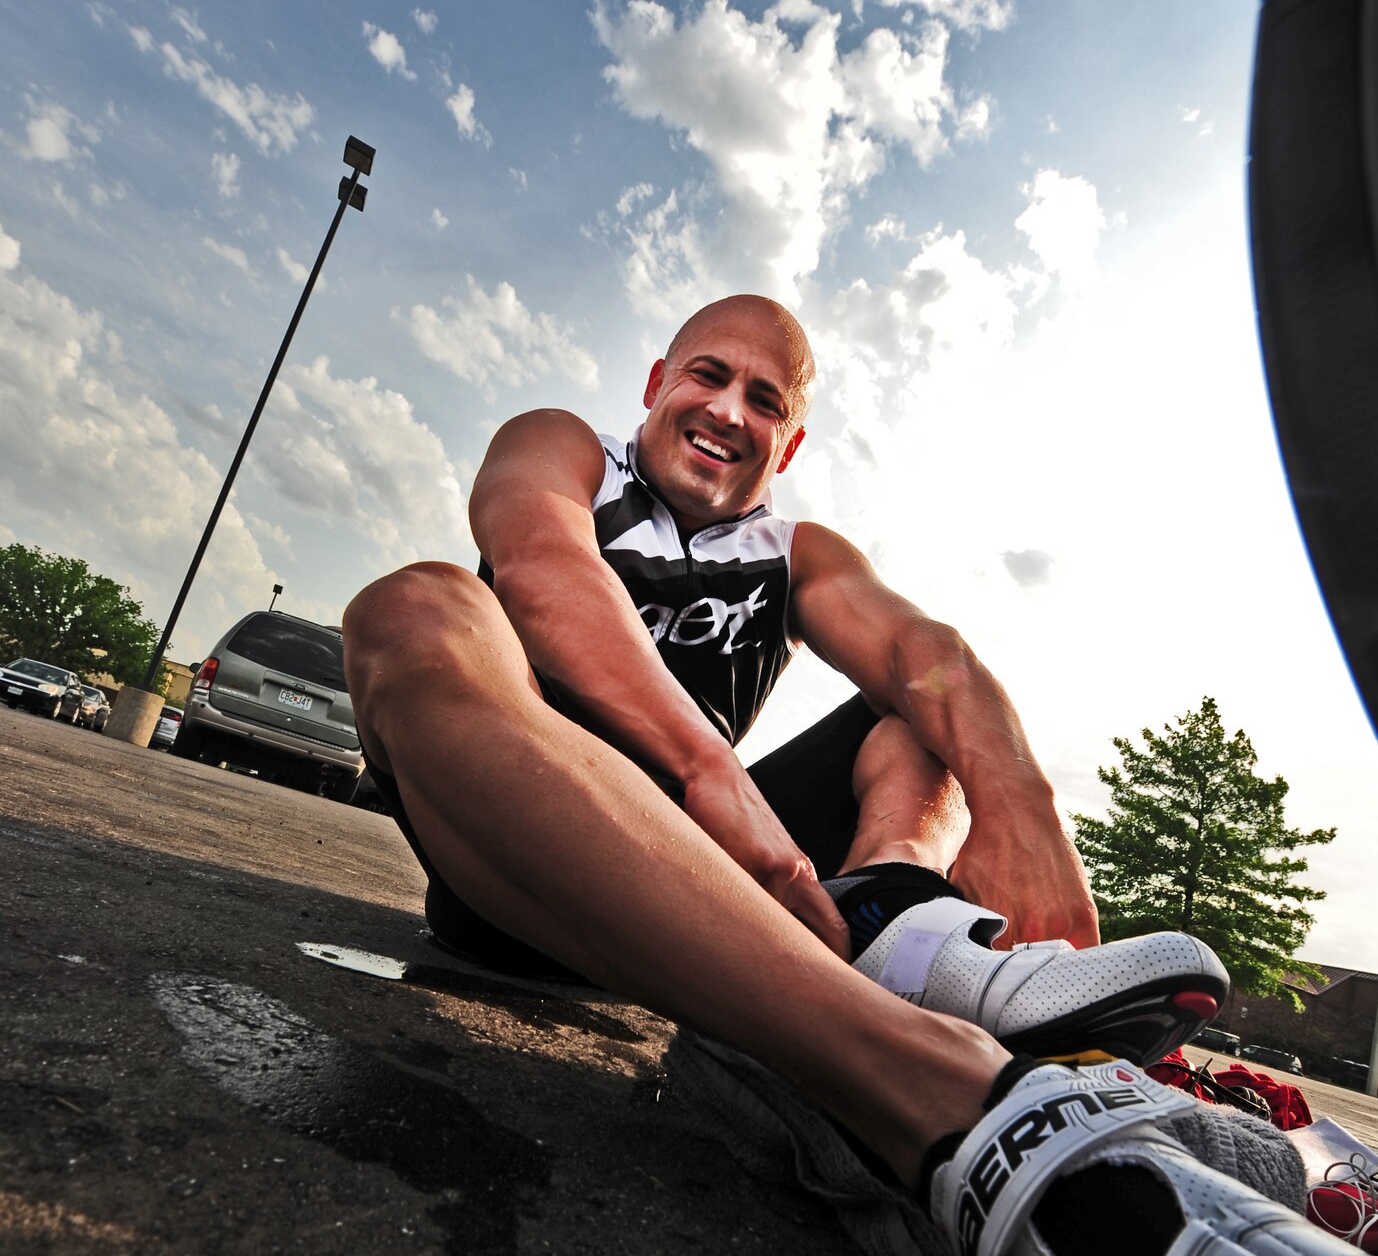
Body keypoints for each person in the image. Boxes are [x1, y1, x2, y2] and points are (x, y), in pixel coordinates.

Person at [342, 294, 1219, 1188]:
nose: (729, 410)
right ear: (656, 384)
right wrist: (705, 766)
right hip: (514, 891)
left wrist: (1023, 811)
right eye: (709, 375)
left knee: (918, 717)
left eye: (766, 400)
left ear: (788, 444)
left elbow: (926, 655)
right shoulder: (561, 447)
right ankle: (899, 1068)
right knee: (416, 607)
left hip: (724, 908)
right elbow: (540, 565)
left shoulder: (796, 552)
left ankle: (906, 947)